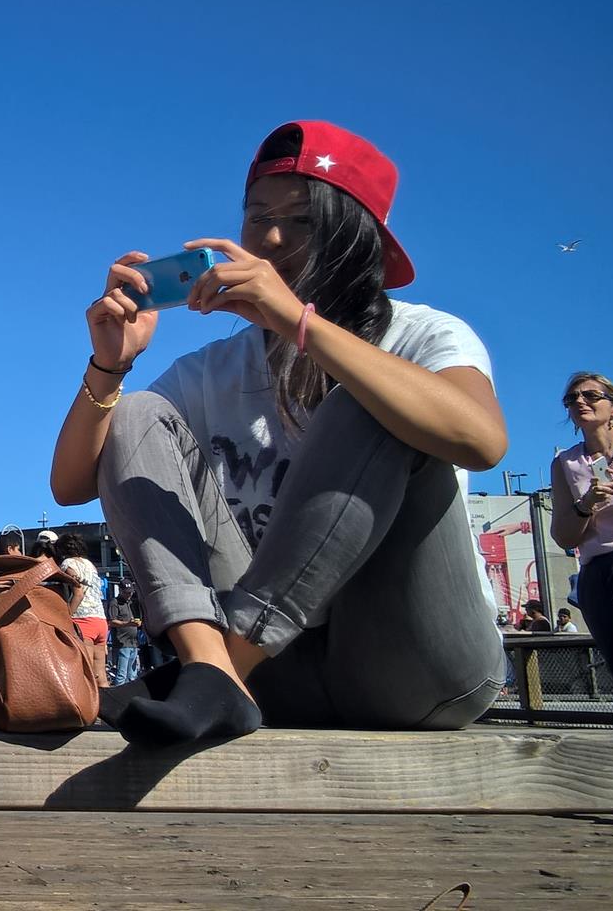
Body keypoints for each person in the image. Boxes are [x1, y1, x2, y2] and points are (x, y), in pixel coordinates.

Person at [50, 120, 506, 745]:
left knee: (366, 401)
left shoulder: (424, 333)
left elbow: (482, 440)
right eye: (256, 215)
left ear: (357, 237)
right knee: (134, 411)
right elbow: (71, 485)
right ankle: (211, 670)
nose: (268, 236)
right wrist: (110, 364)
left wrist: (299, 322)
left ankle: (218, 677)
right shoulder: (213, 370)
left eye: (302, 222)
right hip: (279, 675)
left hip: (416, 666)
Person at [550, 371, 613, 725]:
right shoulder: (565, 463)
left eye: (591, 395)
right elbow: (564, 537)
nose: (580, 402)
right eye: (572, 399)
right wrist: (585, 504)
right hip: (599, 572)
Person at [54, 533, 108, 674]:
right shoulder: (91, 565)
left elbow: (78, 593)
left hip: (82, 619)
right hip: (100, 620)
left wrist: (66, 617)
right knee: (101, 674)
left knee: (87, 673)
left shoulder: (67, 564)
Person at [108, 580, 143, 686]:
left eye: (130, 592)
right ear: (120, 590)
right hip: (122, 642)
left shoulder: (132, 603)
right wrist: (127, 623)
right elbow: (112, 621)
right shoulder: (115, 602)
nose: (129, 594)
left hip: (133, 642)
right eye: (126, 592)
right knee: (122, 674)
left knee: (133, 674)